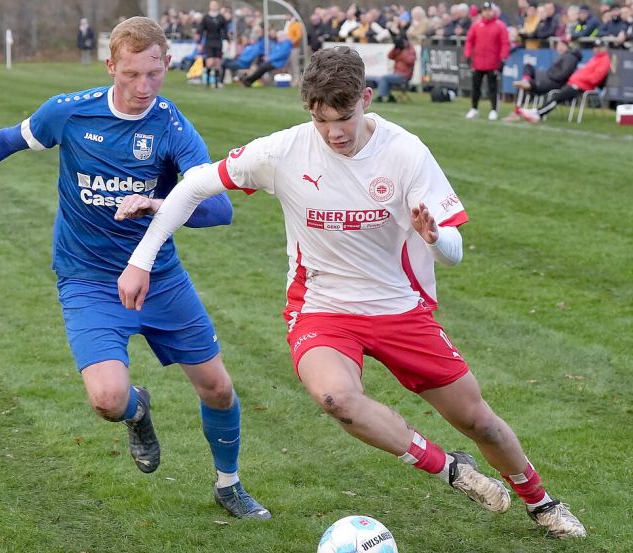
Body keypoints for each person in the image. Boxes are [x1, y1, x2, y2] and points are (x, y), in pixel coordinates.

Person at [116, 45, 587, 540]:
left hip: (400, 309)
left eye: (343, 117)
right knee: (336, 397)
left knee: (480, 421)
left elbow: (455, 253)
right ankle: (451, 469)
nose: (334, 132)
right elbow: (193, 186)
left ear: (365, 99)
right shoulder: (285, 151)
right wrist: (140, 260)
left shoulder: (405, 152)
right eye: (322, 121)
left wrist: (434, 238)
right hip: (322, 308)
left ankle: (541, 501)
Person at [0, 16, 270, 520]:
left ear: (166, 64)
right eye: (130, 74)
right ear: (110, 65)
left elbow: (221, 211)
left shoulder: (173, 128)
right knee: (108, 400)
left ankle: (229, 484)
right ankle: (139, 409)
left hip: (159, 278)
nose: (142, 87)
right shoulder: (70, 113)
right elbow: (6, 141)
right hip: (88, 281)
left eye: (153, 74)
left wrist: (157, 204)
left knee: (218, 387)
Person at [517, 41, 612, 122]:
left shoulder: (604, 61)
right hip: (575, 83)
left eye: (599, 47)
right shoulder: (595, 58)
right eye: (595, 47)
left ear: (604, 48)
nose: (597, 49)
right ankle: (536, 111)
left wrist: (580, 79)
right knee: (557, 96)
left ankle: (538, 114)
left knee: (558, 97)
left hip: (581, 86)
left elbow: (595, 78)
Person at [464, 2, 510, 120]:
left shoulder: (500, 26)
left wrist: (503, 58)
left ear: (493, 11)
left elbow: (505, 43)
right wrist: (468, 55)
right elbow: (469, 41)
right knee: (475, 87)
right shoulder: (476, 25)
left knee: (493, 88)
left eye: (489, 10)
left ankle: (494, 110)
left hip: (493, 62)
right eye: (485, 10)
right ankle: (474, 108)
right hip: (478, 62)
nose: (487, 12)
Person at [512, 39, 581, 95]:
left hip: (552, 83)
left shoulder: (570, 57)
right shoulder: (565, 56)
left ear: (567, 46)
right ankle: (525, 81)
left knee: (525, 85)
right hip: (546, 78)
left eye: (561, 46)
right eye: (558, 46)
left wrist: (550, 74)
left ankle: (527, 83)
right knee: (528, 66)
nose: (559, 48)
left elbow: (564, 74)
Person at [369, 34, 417, 102]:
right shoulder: (399, 48)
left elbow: (410, 61)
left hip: (405, 75)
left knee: (384, 78)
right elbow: (390, 56)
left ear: (406, 41)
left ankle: (380, 96)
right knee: (380, 78)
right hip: (397, 73)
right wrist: (395, 48)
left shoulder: (410, 49)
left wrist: (403, 51)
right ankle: (389, 97)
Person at [198, 1, 229, 88]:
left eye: (215, 5)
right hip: (209, 41)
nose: (214, 6)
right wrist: (200, 43)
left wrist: (227, 41)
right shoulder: (206, 18)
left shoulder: (221, 18)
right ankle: (207, 81)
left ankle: (216, 83)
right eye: (212, 5)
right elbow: (201, 30)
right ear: (210, 6)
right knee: (210, 62)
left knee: (217, 63)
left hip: (218, 41)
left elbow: (225, 30)